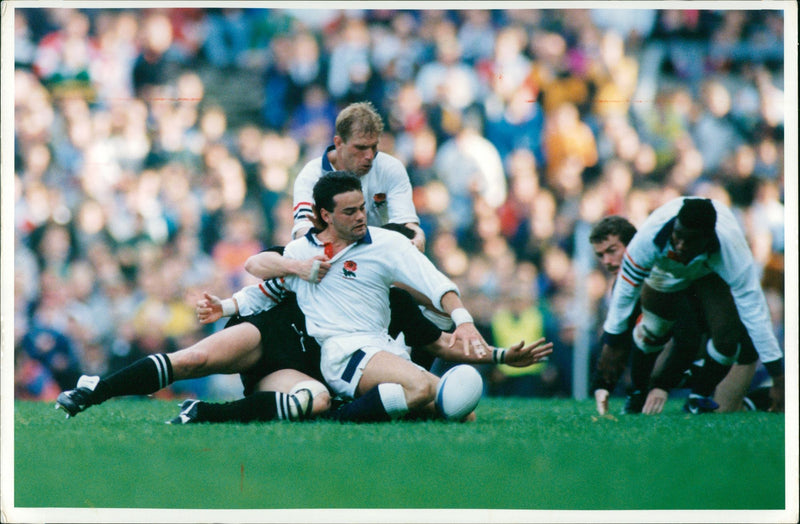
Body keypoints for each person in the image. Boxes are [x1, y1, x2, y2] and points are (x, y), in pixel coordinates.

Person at [226, 171, 503, 422]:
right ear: (326, 215)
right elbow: (255, 265)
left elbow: (437, 284)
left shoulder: (387, 244)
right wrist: (296, 267)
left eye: (362, 208)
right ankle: (340, 417)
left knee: (463, 415)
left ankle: (361, 408)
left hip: (382, 348)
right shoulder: (304, 250)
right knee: (419, 387)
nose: (360, 216)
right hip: (343, 353)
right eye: (349, 211)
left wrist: (464, 321)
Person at [596, 198, 784, 415]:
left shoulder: (730, 254)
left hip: (731, 344)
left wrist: (779, 377)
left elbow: (754, 314)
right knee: (653, 329)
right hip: (682, 308)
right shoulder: (647, 245)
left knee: (727, 343)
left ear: (707, 239)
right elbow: (623, 302)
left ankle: (699, 394)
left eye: (690, 240)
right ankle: (646, 390)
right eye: (678, 237)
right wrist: (611, 347)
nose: (681, 245)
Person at [246, 101, 425, 285]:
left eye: (374, 147)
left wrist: (417, 236)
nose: (369, 155)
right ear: (339, 143)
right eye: (361, 148)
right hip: (331, 259)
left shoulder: (390, 168)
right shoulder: (311, 176)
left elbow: (405, 225)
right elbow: (303, 232)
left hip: (381, 257)